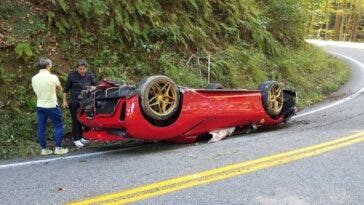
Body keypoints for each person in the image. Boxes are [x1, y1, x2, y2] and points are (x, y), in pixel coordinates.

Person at [31, 58, 69, 155]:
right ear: (48, 65)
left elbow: (36, 91)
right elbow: (60, 89)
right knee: (58, 125)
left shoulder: (34, 78)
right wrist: (52, 91)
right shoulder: (53, 77)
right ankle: (58, 148)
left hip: (40, 105)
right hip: (51, 105)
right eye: (50, 64)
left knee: (41, 127)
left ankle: (44, 149)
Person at [63, 59, 97, 148]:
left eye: (83, 69)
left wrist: (93, 89)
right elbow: (66, 89)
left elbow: (95, 86)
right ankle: (76, 139)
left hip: (87, 101)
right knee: (75, 120)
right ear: (77, 68)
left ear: (86, 68)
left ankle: (82, 137)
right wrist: (64, 101)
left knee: (85, 119)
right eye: (80, 69)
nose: (82, 70)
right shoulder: (72, 76)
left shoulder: (90, 75)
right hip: (74, 101)